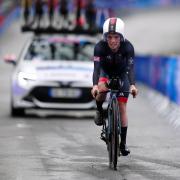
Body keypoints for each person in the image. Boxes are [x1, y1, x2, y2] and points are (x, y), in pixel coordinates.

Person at [91, 17, 138, 156]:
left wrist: (133, 86)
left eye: (116, 37)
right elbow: (96, 69)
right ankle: (99, 111)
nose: (112, 41)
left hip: (122, 74)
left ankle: (122, 144)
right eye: (110, 37)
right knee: (101, 91)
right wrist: (95, 86)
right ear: (105, 37)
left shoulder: (128, 47)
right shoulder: (99, 47)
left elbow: (130, 68)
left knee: (122, 107)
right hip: (105, 73)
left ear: (121, 37)